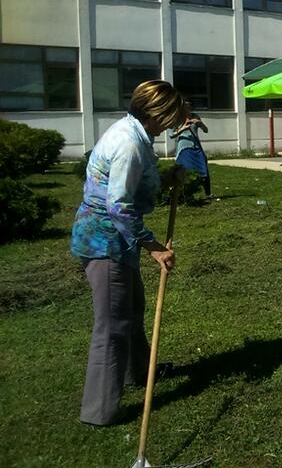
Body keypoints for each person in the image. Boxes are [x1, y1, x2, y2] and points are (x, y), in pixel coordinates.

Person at [71, 80, 188, 426]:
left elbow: (130, 183)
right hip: (105, 243)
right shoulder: (129, 143)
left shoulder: (134, 133)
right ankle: (100, 411)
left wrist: (166, 178)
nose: (172, 123)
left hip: (118, 242)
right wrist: (154, 248)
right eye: (169, 116)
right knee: (111, 326)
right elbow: (119, 206)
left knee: (132, 308)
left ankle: (138, 372)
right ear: (156, 113)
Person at [170, 108, 211, 196]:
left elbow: (206, 130)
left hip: (196, 146)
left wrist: (200, 124)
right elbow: (171, 135)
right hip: (184, 147)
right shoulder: (177, 118)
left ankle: (208, 193)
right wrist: (183, 128)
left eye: (189, 107)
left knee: (203, 168)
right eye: (185, 106)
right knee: (185, 170)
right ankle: (182, 193)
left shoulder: (195, 116)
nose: (187, 109)